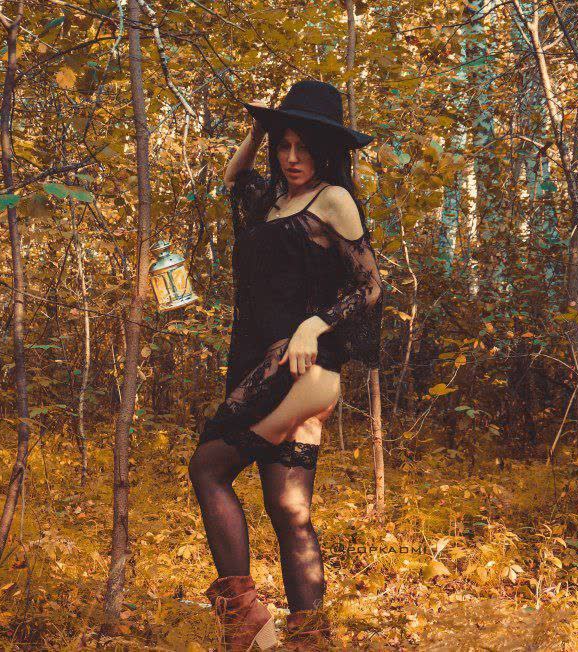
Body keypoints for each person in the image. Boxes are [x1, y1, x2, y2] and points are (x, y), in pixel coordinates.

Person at [188, 79, 382, 651]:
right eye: (284, 145)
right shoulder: (272, 201)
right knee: (288, 509)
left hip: (298, 369)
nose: (292, 157)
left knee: (208, 468)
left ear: (326, 151)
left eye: (303, 147)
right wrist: (259, 130)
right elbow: (233, 178)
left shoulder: (333, 199)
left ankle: (245, 621)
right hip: (269, 366)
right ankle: (308, 638)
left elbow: (370, 286)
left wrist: (313, 325)